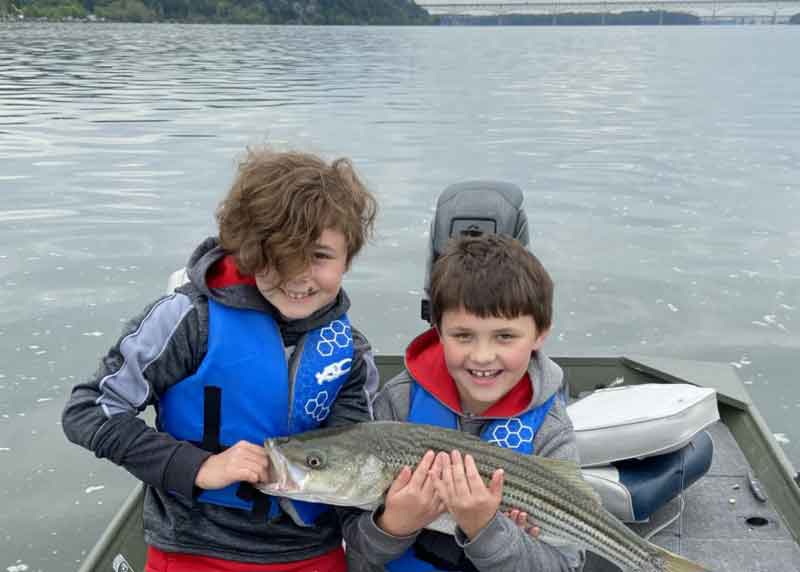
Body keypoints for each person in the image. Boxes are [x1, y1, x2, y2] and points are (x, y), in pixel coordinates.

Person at [62, 148, 379, 572]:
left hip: (311, 553)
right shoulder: (188, 321)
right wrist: (198, 467)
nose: (301, 275)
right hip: (192, 550)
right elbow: (88, 412)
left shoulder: (351, 352)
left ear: (347, 258)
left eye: (321, 256)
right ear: (247, 250)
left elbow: (359, 459)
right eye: (282, 254)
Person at [345, 233, 583, 572]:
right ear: (438, 331)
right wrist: (392, 526)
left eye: (505, 336)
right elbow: (358, 554)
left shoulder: (550, 430)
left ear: (540, 334)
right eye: (463, 335)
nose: (482, 356)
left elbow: (566, 567)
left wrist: (488, 530)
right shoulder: (399, 404)